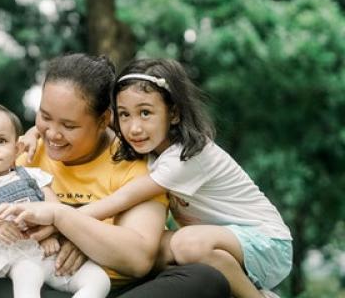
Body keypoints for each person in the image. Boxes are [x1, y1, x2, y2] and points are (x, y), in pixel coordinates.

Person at [0, 53, 231, 298]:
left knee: (205, 281)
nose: (52, 134)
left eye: (69, 125)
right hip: (36, 285)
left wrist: (69, 224)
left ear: (104, 119)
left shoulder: (134, 161)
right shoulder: (26, 151)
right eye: (45, 116)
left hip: (109, 289)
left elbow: (138, 258)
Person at [68, 58, 291, 298]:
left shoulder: (187, 156)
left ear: (173, 113)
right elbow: (86, 123)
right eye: (125, 115)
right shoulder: (151, 149)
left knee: (186, 244)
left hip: (269, 245)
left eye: (145, 113)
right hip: (216, 244)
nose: (133, 128)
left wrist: (64, 221)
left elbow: (122, 198)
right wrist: (35, 133)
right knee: (142, 248)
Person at [0, 102, 110, 298]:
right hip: (18, 259)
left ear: (17, 148)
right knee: (27, 281)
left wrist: (51, 236)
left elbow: (57, 211)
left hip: (51, 255)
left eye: (1, 141)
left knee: (99, 280)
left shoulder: (34, 177)